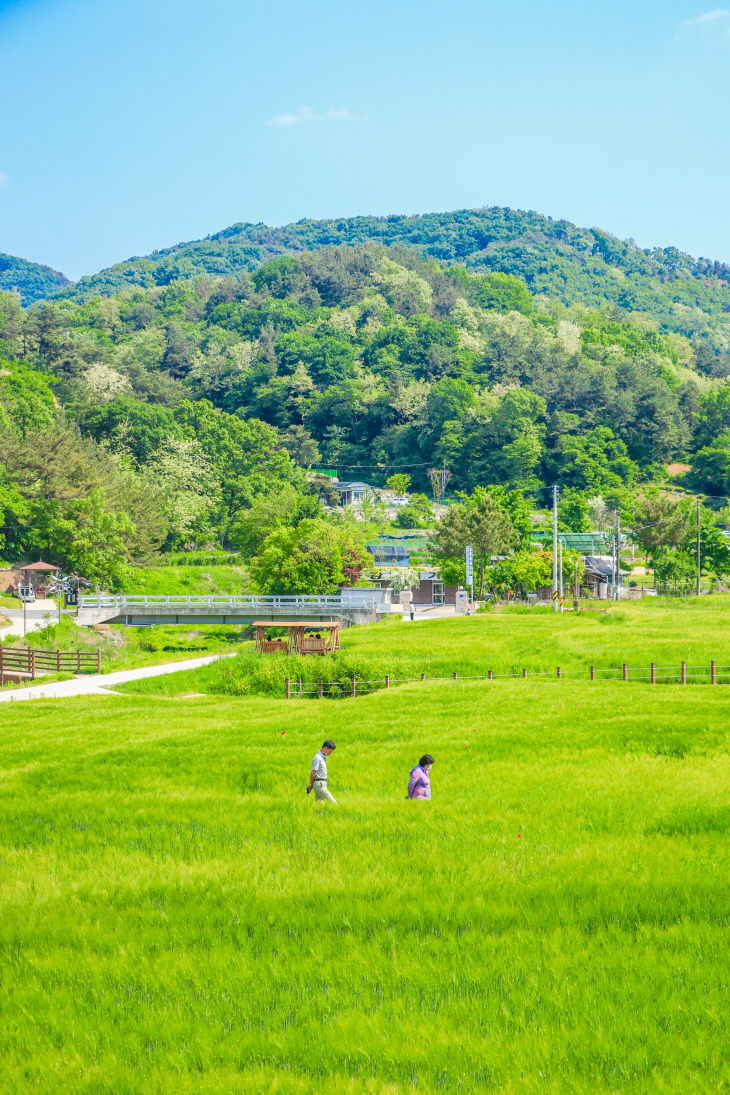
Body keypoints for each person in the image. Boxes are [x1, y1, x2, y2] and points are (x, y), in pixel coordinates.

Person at [307, 739, 337, 804]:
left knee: (319, 807)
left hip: (321, 784)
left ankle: (317, 814)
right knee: (333, 803)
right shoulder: (318, 758)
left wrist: (311, 785)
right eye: (330, 751)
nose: (331, 753)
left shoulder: (322, 757)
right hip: (319, 785)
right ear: (325, 748)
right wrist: (311, 784)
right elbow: (313, 773)